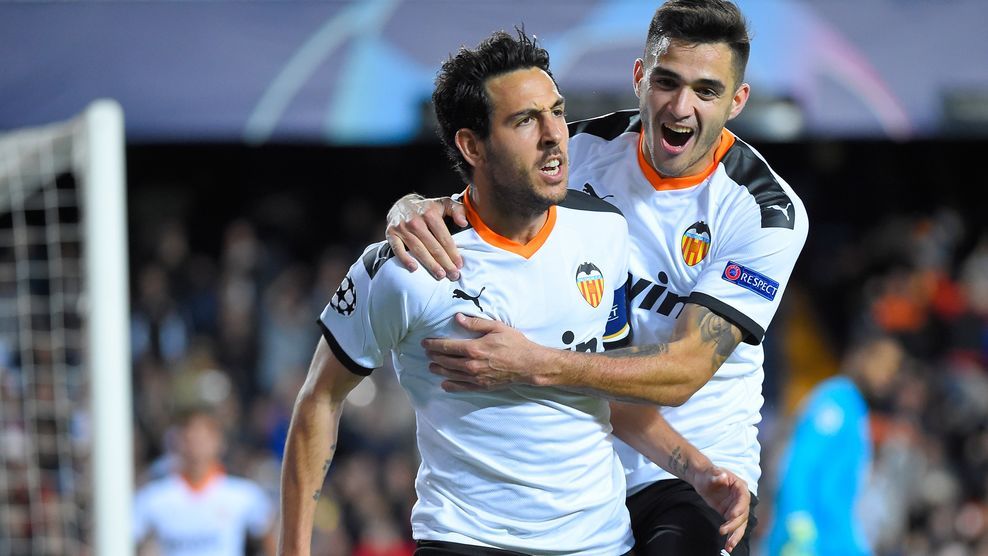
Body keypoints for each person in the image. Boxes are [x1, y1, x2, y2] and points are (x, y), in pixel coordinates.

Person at [280, 29, 749, 556]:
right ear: (471, 145)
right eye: (525, 120)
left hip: (600, 544)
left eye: (557, 111)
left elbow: (611, 393)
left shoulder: (604, 231)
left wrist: (699, 470)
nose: (554, 134)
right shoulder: (407, 265)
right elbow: (319, 400)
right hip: (466, 541)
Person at [384, 1, 809, 554]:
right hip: (573, 459)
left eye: (706, 91)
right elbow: (475, 196)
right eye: (666, 81)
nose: (681, 107)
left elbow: (683, 372)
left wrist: (533, 364)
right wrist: (411, 206)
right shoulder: (576, 151)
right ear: (639, 78)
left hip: (693, 473)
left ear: (737, 101)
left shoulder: (763, 211)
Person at [765, 335, 903, 556]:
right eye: (882, 363)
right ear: (862, 358)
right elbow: (800, 462)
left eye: (893, 369)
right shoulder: (835, 401)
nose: (887, 375)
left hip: (838, 539)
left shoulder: (855, 408)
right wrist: (797, 521)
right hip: (813, 540)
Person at [133, 406, 276, 556]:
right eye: (189, 437)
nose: (196, 445)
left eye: (203, 437)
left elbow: (269, 536)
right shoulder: (154, 497)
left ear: (219, 442)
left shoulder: (244, 494)